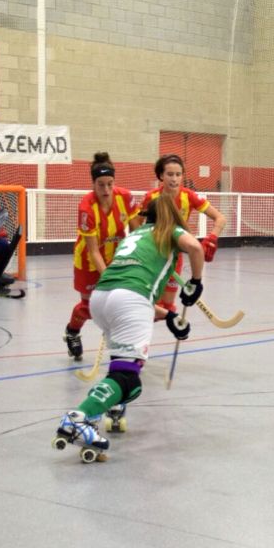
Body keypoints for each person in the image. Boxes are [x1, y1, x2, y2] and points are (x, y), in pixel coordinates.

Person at [53, 194, 205, 462]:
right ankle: (79, 417)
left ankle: (102, 412)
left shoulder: (135, 235)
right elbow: (196, 247)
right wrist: (197, 282)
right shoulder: (168, 229)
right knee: (129, 380)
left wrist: (169, 318)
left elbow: (134, 297)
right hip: (128, 300)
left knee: (120, 369)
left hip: (102, 299)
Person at [63, 152, 137, 361]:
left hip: (117, 258)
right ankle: (72, 332)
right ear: (93, 183)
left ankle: (123, 345)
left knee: (120, 303)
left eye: (110, 184)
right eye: (101, 185)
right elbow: (93, 250)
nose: (106, 190)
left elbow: (137, 233)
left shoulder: (125, 198)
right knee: (89, 306)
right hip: (88, 262)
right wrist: (108, 277)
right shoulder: (87, 208)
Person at [130, 154, 226, 314]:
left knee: (166, 307)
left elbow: (220, 218)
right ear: (161, 175)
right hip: (153, 254)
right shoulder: (151, 197)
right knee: (148, 305)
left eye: (178, 174)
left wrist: (212, 237)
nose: (174, 179)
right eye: (169, 174)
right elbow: (135, 223)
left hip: (175, 255)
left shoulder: (189, 196)